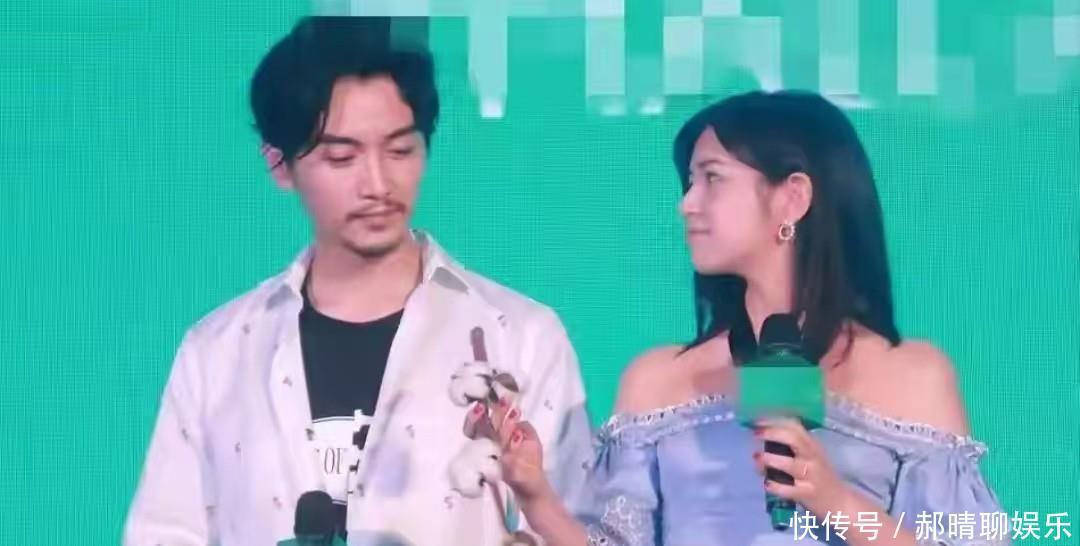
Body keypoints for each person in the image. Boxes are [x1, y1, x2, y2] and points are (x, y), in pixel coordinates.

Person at [123, 16, 593, 546]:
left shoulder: (521, 337)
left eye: (400, 150)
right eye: (342, 157)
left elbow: (575, 525)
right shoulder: (218, 353)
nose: (378, 184)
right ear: (279, 165)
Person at [492, 90, 1008, 546]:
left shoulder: (913, 376)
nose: (688, 204)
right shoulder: (656, 382)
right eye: (689, 182)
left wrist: (833, 499)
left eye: (712, 178)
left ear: (793, 197)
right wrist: (538, 498)